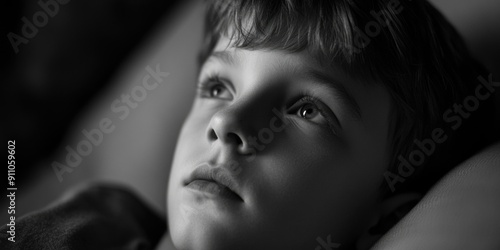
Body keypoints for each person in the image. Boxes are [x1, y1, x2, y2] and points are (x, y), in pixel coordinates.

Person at [1, 0, 497, 249]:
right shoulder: (96, 222)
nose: (227, 121)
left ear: (383, 221)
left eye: (308, 110)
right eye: (217, 87)